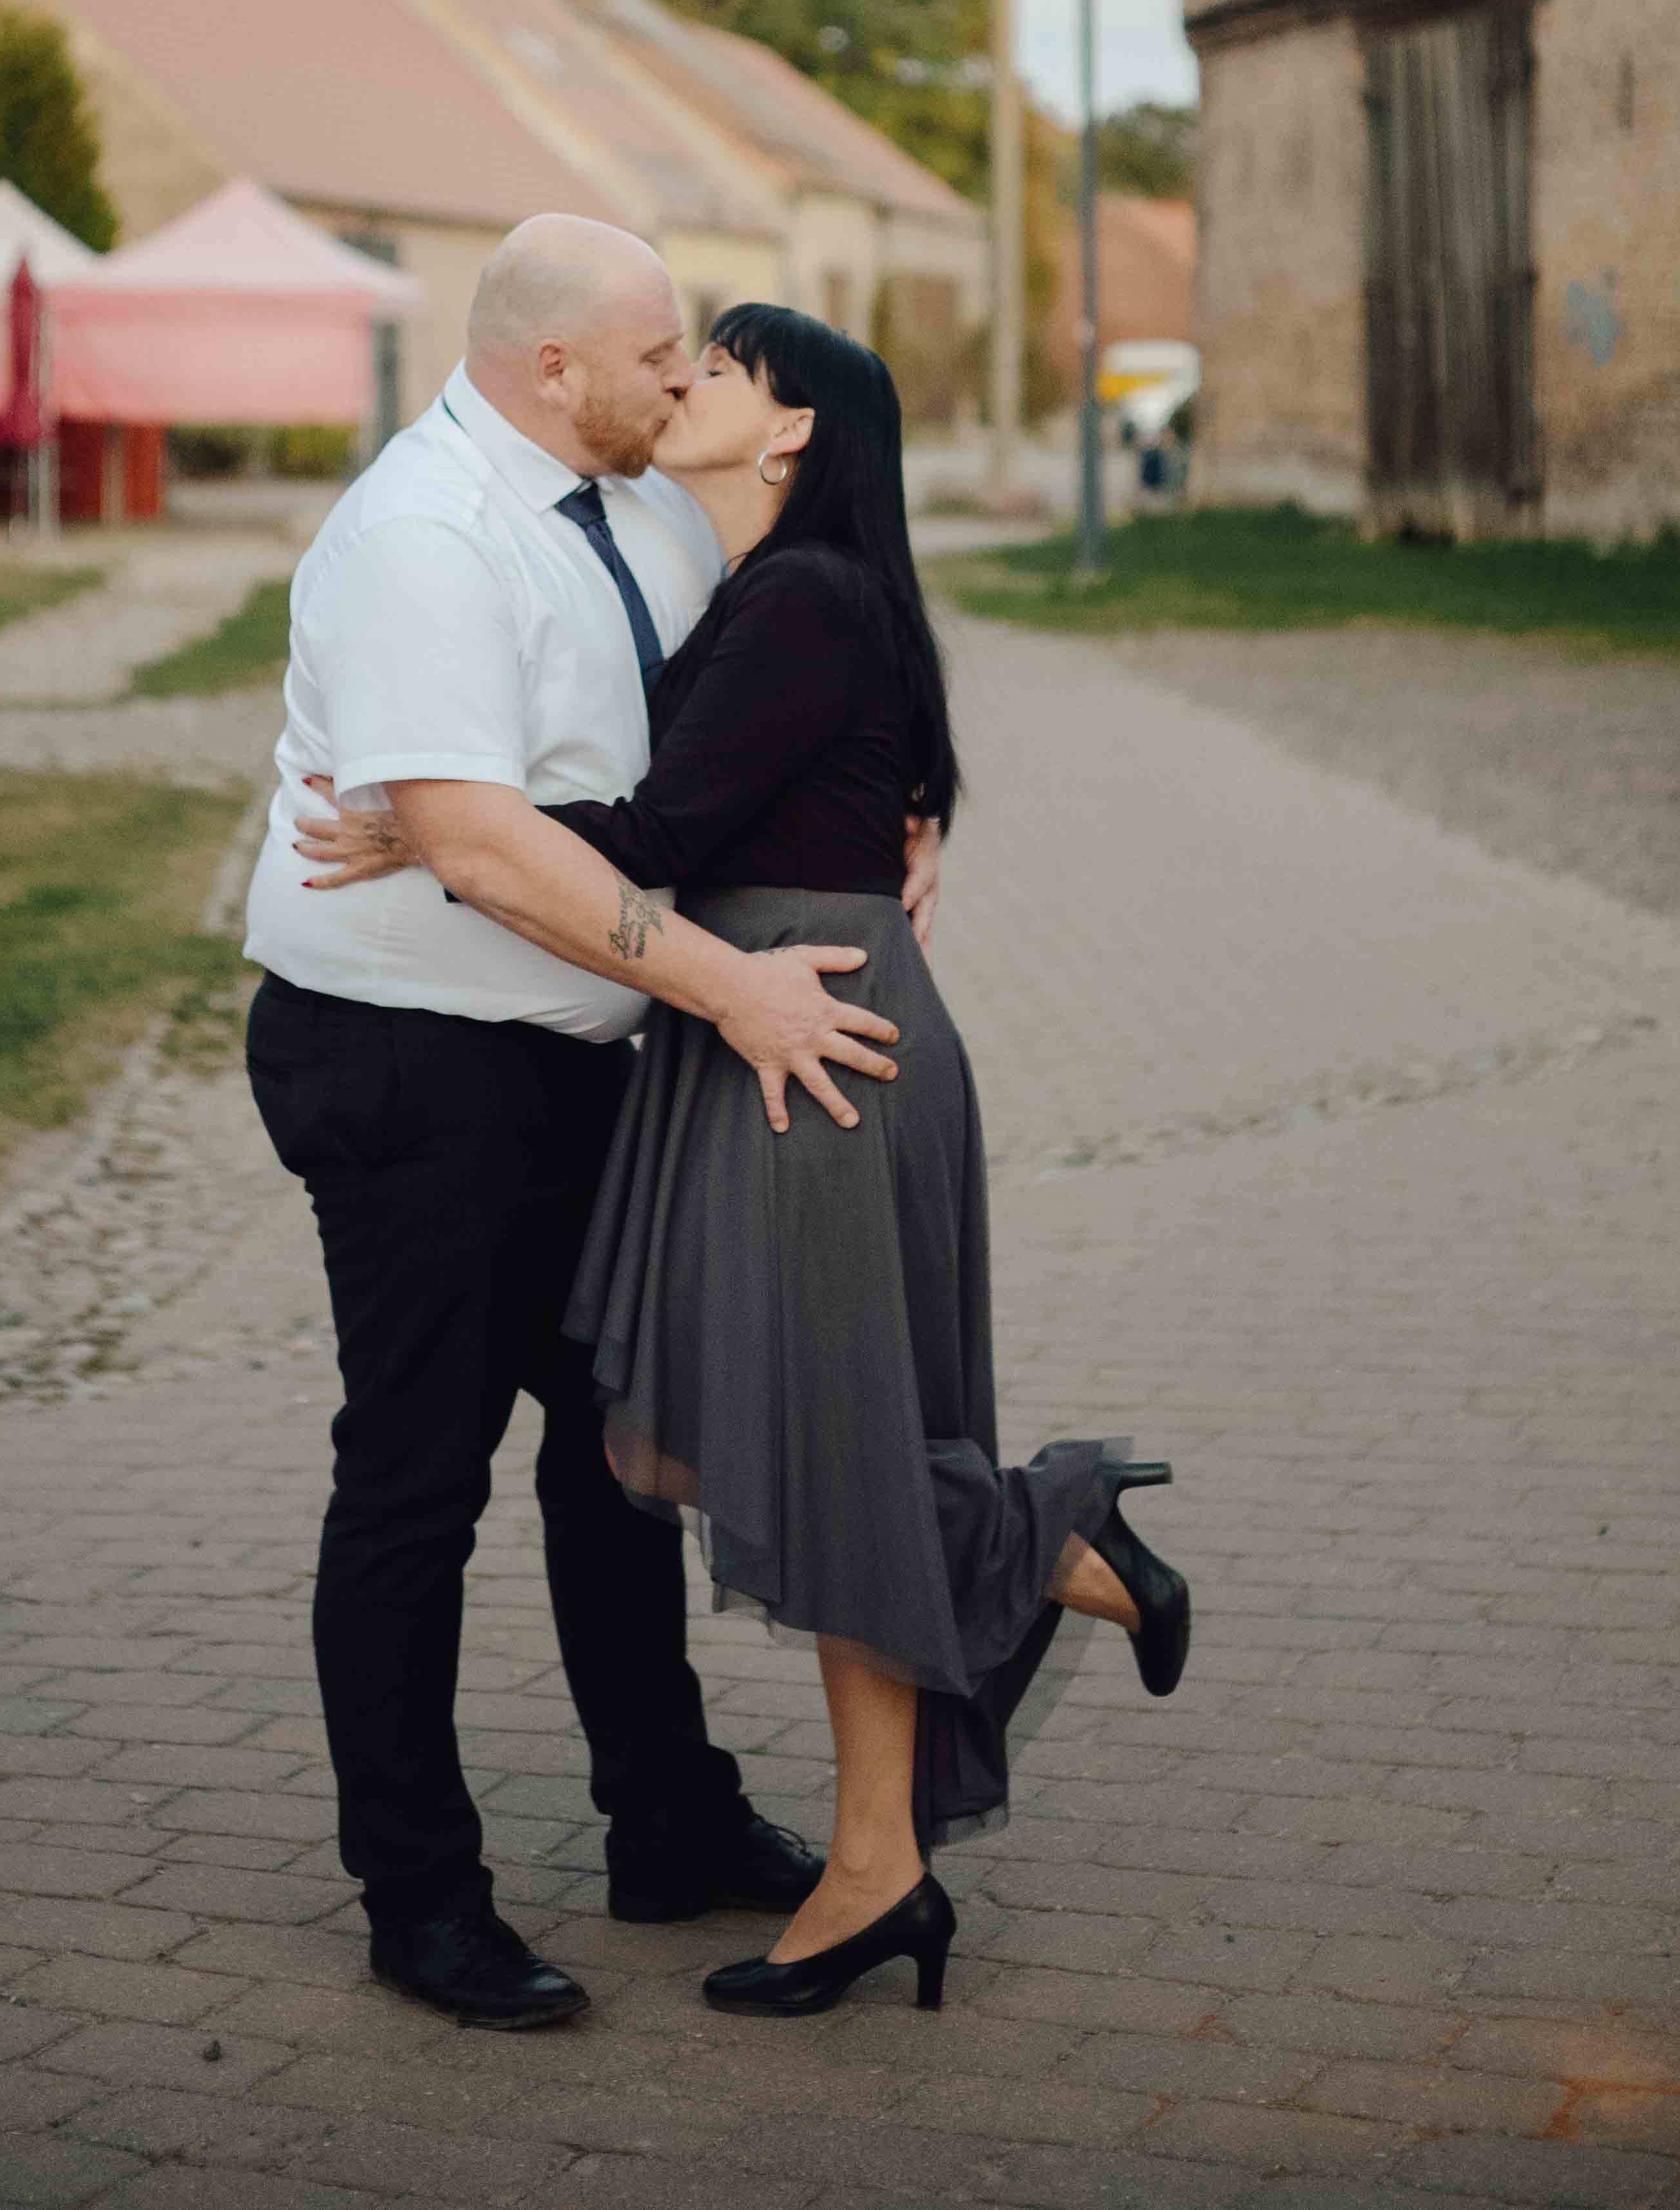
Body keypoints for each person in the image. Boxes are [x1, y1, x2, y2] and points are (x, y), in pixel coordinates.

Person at [295, 295, 1192, 2021]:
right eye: (670, 353)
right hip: (740, 1021)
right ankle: (879, 1845)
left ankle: (1047, 1542)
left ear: (787, 429)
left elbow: (659, 829)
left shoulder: (792, 595)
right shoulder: (720, 559)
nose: (684, 376)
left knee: (762, 1417)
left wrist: (434, 820)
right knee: (681, 1424)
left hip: (799, 1025)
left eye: (717, 365)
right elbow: (840, 762)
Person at [242, 216, 940, 2033]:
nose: (682, 380)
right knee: (416, 1474)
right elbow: (474, 846)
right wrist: (733, 984)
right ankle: (421, 1896)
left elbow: (741, 727)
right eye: (656, 357)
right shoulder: (420, 535)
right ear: (554, 366)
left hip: (580, 1060)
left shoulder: (632, 498)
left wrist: (892, 829)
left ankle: (668, 1817)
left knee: (617, 1442)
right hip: (407, 1056)